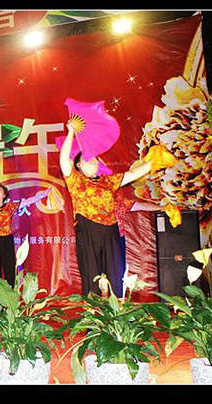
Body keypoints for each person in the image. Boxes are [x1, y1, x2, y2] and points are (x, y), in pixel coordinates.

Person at [59, 122, 151, 296]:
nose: (92, 161)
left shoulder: (108, 181)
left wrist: (156, 161)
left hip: (111, 230)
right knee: (91, 275)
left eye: (94, 159)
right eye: (87, 159)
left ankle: (117, 310)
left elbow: (133, 174)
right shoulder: (75, 180)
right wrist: (70, 132)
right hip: (88, 229)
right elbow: (64, 160)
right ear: (78, 165)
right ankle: (93, 310)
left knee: (116, 274)